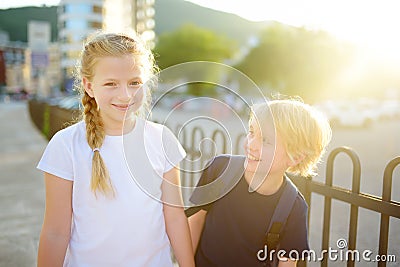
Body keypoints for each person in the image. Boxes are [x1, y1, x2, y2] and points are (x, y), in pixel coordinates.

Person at [36, 31, 195, 267]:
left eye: (134, 83)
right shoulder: (66, 145)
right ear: (89, 86)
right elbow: (56, 232)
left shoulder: (162, 139)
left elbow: (174, 217)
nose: (125, 95)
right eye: (111, 84)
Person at [187, 99, 332, 266]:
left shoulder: (293, 206)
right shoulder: (219, 169)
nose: (251, 144)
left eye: (266, 141)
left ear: (296, 156)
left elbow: (287, 262)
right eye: (251, 132)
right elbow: (195, 222)